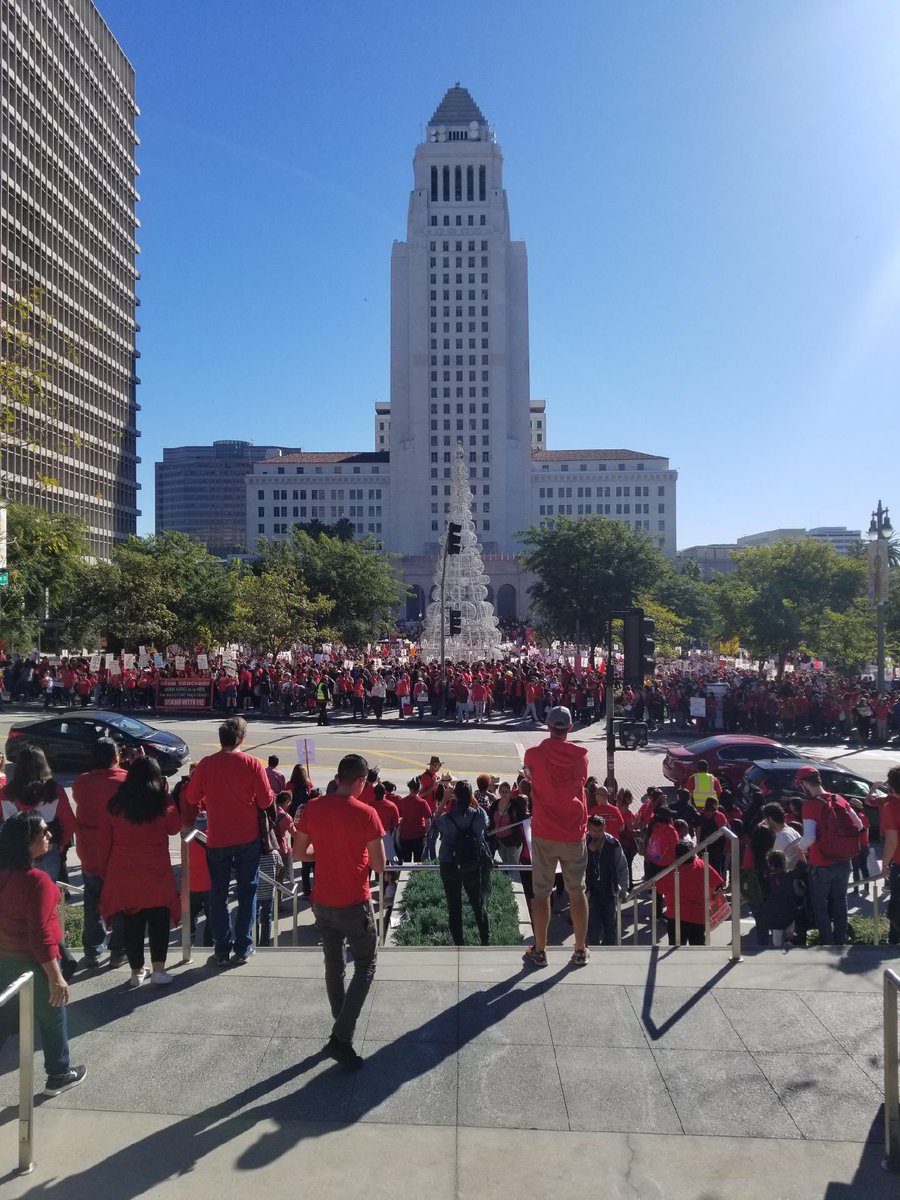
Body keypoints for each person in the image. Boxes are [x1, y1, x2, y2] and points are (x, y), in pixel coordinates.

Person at [292, 753, 386, 1068]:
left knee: (333, 966)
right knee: (365, 965)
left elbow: (300, 852)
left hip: (322, 901)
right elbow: (379, 865)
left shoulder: (313, 807)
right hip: (353, 902)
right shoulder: (367, 813)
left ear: (337, 778)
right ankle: (341, 1036)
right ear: (361, 781)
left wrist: (327, 850)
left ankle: (340, 1025)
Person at [0, 812, 86, 1096]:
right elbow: (41, 936)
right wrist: (56, 977)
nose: (50, 835)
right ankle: (59, 1074)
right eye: (43, 832)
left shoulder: (5, 876)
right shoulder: (38, 882)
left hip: (4, 962)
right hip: (32, 966)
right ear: (27, 842)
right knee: (53, 1017)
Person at [183, 716, 274, 966]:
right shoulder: (252, 764)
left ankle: (221, 948)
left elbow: (192, 797)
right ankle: (243, 947)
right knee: (247, 892)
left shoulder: (207, 764)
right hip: (247, 837)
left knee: (218, 895)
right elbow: (266, 801)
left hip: (218, 839)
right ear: (241, 739)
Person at [97, 756, 181, 989]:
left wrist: (104, 871)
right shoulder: (161, 802)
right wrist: (167, 794)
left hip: (124, 871)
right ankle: (159, 970)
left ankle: (136, 971)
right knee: (158, 920)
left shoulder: (116, 804)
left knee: (132, 922)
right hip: (156, 872)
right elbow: (174, 828)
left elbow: (104, 842)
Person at [522, 706, 590, 967]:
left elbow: (529, 776)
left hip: (544, 831)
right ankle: (580, 949)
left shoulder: (533, 754)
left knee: (541, 893)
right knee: (577, 891)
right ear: (569, 728)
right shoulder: (581, 756)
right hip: (573, 830)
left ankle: (540, 950)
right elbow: (580, 781)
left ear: (548, 726)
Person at [71, 738, 128, 968]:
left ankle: (93, 951)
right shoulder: (125, 780)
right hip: (117, 853)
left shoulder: (81, 782)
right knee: (121, 903)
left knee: (92, 902)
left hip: (90, 853)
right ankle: (118, 951)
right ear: (116, 757)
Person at [796, 765, 863, 946]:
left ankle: (827, 941)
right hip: (844, 861)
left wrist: (799, 848)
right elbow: (858, 825)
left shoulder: (810, 805)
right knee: (840, 900)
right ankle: (841, 939)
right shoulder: (839, 799)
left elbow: (809, 837)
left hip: (822, 863)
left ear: (804, 783)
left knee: (820, 904)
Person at [1, 745, 76, 882]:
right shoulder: (55, 791)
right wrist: (61, 843)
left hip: (15, 851)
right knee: (47, 889)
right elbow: (70, 823)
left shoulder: (5, 793)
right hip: (46, 848)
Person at [436, 780, 491, 945]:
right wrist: (471, 800)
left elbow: (435, 822)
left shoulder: (447, 818)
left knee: (454, 907)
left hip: (449, 864)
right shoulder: (478, 815)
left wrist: (444, 800)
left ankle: (459, 943)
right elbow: (486, 823)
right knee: (478, 904)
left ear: (455, 796)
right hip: (472, 864)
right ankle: (485, 941)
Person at [655, 839, 724, 945]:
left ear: (676, 856)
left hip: (676, 916)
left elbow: (658, 887)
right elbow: (718, 882)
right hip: (698, 916)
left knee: (675, 949)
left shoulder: (672, 872)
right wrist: (711, 898)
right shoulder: (702, 865)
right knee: (697, 948)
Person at [585, 814, 629, 946]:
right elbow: (575, 866)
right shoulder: (582, 842)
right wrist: (587, 851)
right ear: (588, 828)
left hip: (609, 891)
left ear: (605, 828)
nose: (596, 834)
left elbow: (622, 866)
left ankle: (608, 950)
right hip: (590, 892)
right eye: (593, 831)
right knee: (593, 929)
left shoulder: (613, 843)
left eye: (599, 831)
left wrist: (623, 888)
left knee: (610, 928)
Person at [879, 767, 900, 945]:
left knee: (896, 907)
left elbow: (891, 842)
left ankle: (893, 941)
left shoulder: (892, 807)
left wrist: (885, 865)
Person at [487, 781, 526, 864]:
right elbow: (490, 820)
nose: (504, 794)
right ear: (499, 792)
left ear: (510, 792)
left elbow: (522, 818)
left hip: (513, 841)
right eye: (502, 792)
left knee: (512, 866)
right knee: (505, 864)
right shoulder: (495, 805)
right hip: (500, 842)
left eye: (506, 792)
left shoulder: (515, 805)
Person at [396, 776, 431, 862]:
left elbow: (397, 818)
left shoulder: (402, 802)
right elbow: (428, 821)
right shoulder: (423, 803)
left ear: (409, 788)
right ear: (419, 789)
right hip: (419, 836)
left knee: (406, 861)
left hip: (405, 836)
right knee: (418, 862)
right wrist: (425, 833)